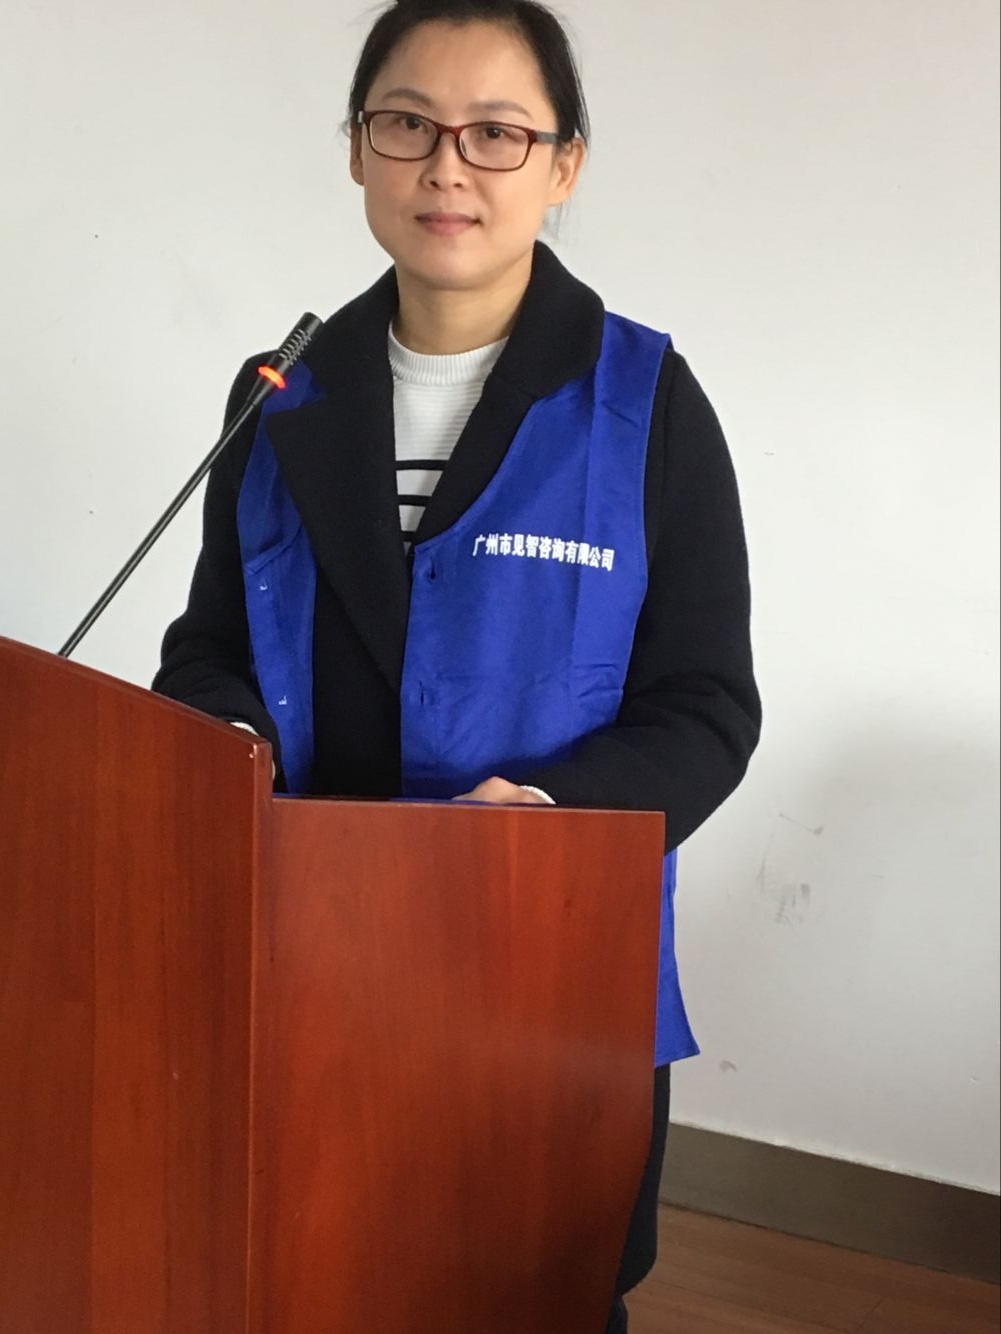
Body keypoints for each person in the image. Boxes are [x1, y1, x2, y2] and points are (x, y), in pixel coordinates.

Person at [153, 0, 761, 1327]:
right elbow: (212, 647)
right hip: (307, 947)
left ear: (562, 165)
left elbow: (707, 707)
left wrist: (543, 818)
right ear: (357, 148)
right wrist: (221, 749)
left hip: (540, 959)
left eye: (496, 133)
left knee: (532, 1286)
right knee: (306, 1269)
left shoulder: (648, 404)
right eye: (407, 124)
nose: (446, 166)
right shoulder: (279, 391)